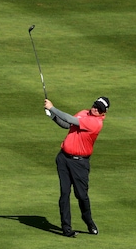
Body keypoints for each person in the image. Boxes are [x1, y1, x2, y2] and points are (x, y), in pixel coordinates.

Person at [44, 96, 109, 238]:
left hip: (80, 163)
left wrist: (52, 108)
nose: (95, 109)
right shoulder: (84, 113)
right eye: (95, 105)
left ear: (104, 113)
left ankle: (88, 220)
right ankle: (66, 228)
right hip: (63, 159)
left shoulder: (96, 123)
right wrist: (53, 116)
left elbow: (69, 119)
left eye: (99, 109)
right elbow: (67, 125)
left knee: (81, 195)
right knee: (64, 193)